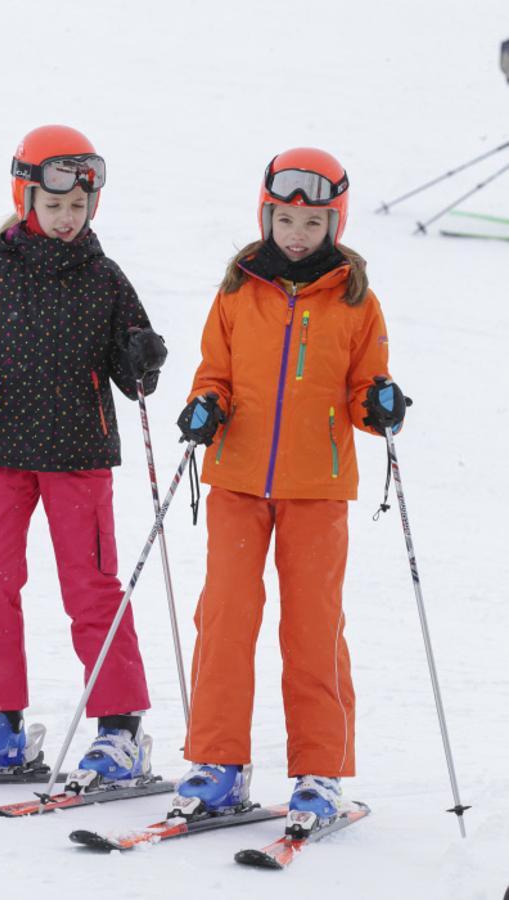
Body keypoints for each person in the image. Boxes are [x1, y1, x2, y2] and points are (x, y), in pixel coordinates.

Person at [170, 148, 409, 830]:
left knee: (312, 629)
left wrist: (381, 403)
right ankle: (218, 764)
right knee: (223, 620)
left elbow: (366, 387)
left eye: (311, 222)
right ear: (264, 214)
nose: (295, 234)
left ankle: (318, 773)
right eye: (283, 218)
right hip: (236, 482)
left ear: (334, 223)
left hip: (317, 488)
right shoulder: (237, 290)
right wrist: (204, 404)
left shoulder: (356, 300)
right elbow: (212, 371)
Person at [0, 125, 168, 787]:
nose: (66, 219)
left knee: (90, 589)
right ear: (26, 197)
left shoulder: (104, 278)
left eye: (77, 207)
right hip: (1, 448)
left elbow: (134, 372)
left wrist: (142, 357)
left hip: (77, 453)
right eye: (54, 205)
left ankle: (120, 731)